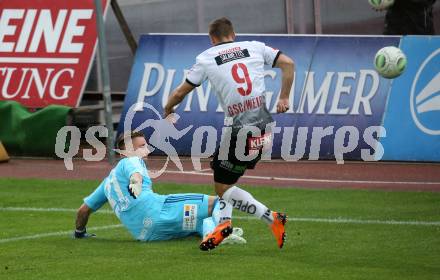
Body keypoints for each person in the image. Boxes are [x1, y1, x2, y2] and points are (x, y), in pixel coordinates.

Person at [164, 17, 295, 250]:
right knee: (221, 170)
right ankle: (224, 225)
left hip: (241, 130)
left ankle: (271, 218)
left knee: (223, 187)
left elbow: (180, 91)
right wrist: (284, 97)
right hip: (264, 128)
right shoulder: (255, 47)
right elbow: (288, 63)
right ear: (233, 34)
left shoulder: (206, 58)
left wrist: (167, 108)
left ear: (212, 38)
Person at [73, 131, 246, 246]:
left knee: (196, 222)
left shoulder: (107, 185)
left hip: (147, 235)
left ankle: (210, 227)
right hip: (160, 210)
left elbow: (83, 211)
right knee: (221, 200)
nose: (144, 150)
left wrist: (79, 233)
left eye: (144, 145)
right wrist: (136, 182)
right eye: (139, 146)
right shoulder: (131, 161)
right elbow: (136, 174)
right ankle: (216, 232)